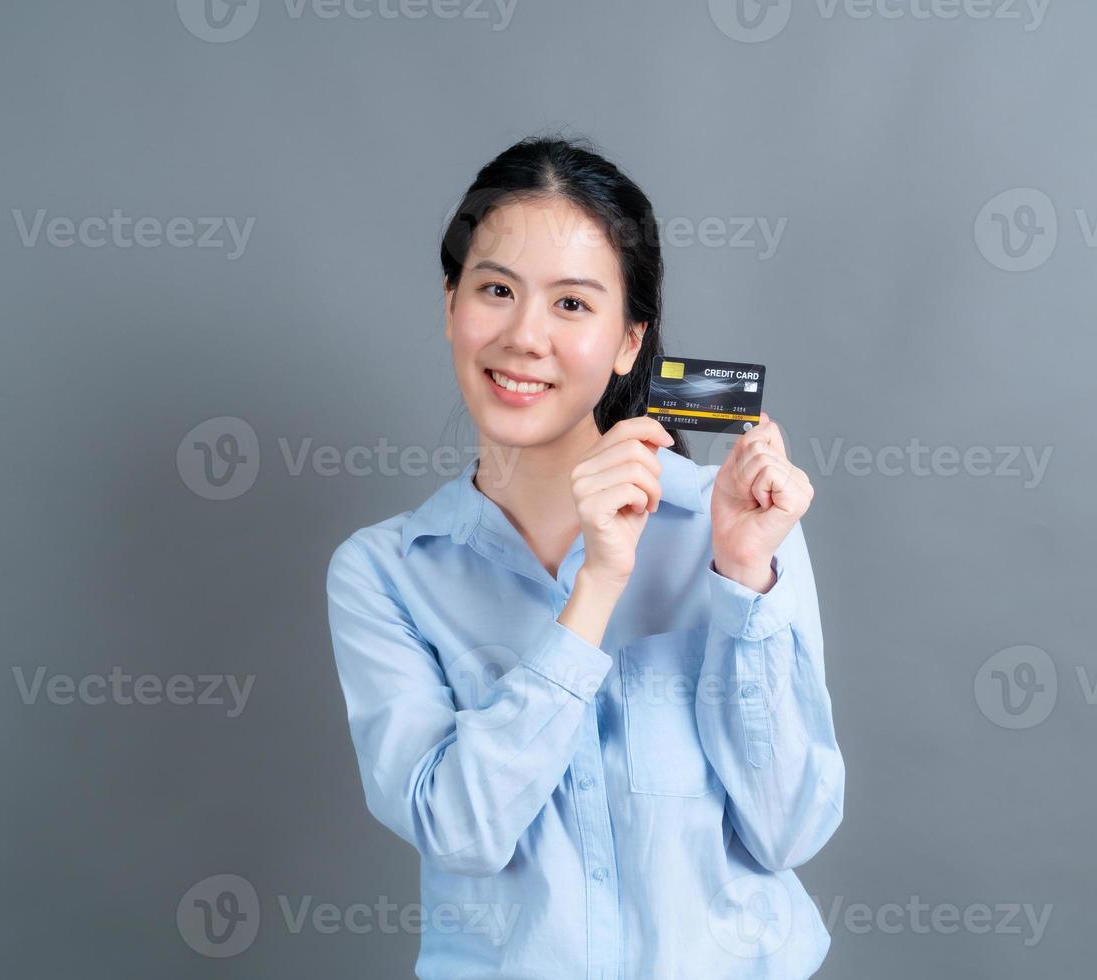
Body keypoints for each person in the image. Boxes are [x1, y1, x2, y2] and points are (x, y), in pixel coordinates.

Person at [325, 135, 844, 978]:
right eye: (495, 290)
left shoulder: (735, 531)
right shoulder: (387, 573)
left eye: (571, 305)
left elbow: (788, 830)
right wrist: (595, 586)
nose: (525, 337)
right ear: (450, 303)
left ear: (629, 342)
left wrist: (743, 580)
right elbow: (461, 831)